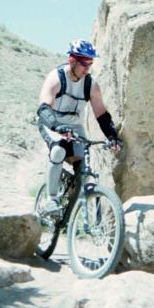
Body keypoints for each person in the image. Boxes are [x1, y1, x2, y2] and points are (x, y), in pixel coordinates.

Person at [36, 39, 122, 217]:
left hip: (75, 125)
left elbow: (102, 115)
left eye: (90, 63)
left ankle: (71, 207)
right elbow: (44, 109)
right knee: (58, 151)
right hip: (52, 122)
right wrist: (58, 127)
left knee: (83, 168)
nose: (87, 68)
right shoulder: (56, 78)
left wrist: (112, 137)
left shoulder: (91, 85)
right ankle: (52, 199)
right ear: (72, 60)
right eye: (84, 63)